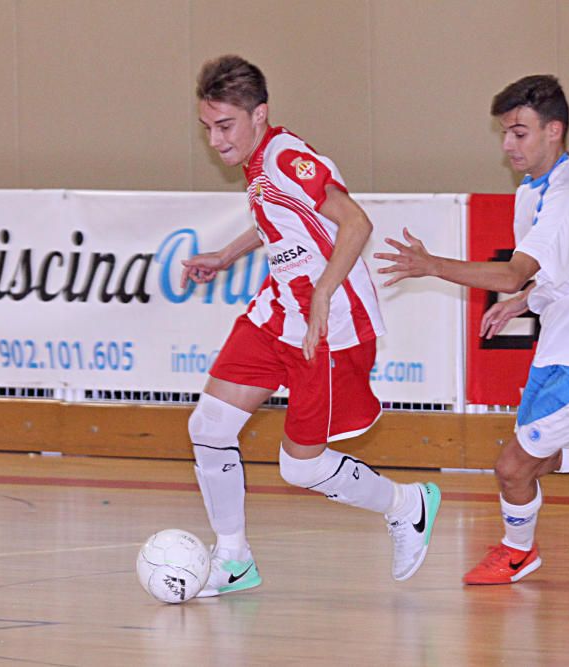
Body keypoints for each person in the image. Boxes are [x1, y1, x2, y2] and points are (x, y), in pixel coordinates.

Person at [375, 75, 569, 585]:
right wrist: (524, 300)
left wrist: (432, 264)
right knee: (535, 457)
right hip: (563, 343)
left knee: (514, 466)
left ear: (554, 131)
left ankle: (518, 551)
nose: (507, 145)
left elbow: (510, 271)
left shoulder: (565, 198)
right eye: (504, 132)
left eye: (519, 132)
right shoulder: (543, 187)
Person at [180, 55, 440, 597]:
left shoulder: (286, 156)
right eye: (208, 128)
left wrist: (322, 292)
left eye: (225, 126)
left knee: (300, 468)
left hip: (328, 327)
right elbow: (277, 217)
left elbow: (355, 222)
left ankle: (406, 504)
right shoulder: (259, 167)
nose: (216, 142)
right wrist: (228, 254)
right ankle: (233, 559)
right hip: (277, 312)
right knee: (208, 427)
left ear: (259, 115)